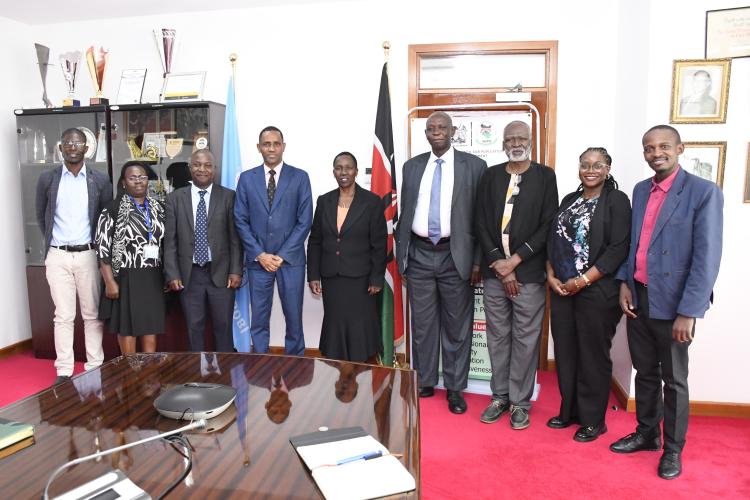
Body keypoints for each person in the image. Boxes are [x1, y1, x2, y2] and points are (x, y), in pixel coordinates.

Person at [611, 125, 723, 480]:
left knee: (674, 381)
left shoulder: (704, 192)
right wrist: (624, 284)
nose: (655, 153)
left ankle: (673, 449)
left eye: (663, 147)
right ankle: (647, 434)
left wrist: (689, 312)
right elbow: (635, 245)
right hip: (639, 296)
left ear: (680, 148)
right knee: (645, 373)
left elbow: (707, 258)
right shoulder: (641, 190)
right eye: (648, 148)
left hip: (675, 305)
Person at [395, 111, 486, 414]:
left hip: (454, 254)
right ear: (426, 133)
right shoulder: (412, 167)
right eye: (431, 128)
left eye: (442, 127)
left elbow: (480, 219)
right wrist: (402, 254)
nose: (436, 132)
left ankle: (456, 389)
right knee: (422, 325)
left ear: (453, 131)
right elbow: (406, 211)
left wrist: (476, 262)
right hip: (419, 253)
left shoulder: (474, 166)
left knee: (457, 326)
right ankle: (426, 380)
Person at [474, 120, 558, 429]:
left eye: (521, 137)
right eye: (510, 138)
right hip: (495, 272)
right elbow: (480, 222)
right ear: (503, 142)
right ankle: (499, 397)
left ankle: (520, 402)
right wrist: (500, 263)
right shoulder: (490, 175)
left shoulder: (545, 177)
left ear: (531, 140)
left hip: (530, 274)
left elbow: (548, 224)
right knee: (497, 337)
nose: (515, 142)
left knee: (525, 339)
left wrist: (516, 262)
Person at [545, 147, 631, 441]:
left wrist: (581, 282)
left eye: (597, 165)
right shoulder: (570, 199)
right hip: (562, 289)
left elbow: (618, 249)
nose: (590, 169)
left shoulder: (617, 201)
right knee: (566, 352)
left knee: (592, 355)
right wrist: (551, 275)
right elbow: (553, 239)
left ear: (608, 168)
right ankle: (569, 411)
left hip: (597, 291)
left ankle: (594, 420)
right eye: (585, 164)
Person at [35, 128, 112, 386]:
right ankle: (64, 370)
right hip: (57, 255)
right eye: (67, 142)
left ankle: (94, 366)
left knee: (92, 314)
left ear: (86, 149)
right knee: (63, 315)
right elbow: (41, 216)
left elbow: (105, 219)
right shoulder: (48, 179)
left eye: (77, 143)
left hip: (88, 254)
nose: (72, 146)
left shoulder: (100, 180)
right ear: (61, 148)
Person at [234, 126, 312, 355]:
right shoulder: (247, 179)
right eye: (266, 144)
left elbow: (305, 220)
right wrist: (260, 254)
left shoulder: (300, 177)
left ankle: (295, 363)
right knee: (259, 319)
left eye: (276, 143)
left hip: (290, 261)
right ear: (259, 148)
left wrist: (282, 255)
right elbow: (240, 219)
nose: (271, 148)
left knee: (294, 317)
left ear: (283, 146)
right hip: (258, 262)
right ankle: (260, 363)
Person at [307, 152, 387, 362]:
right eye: (339, 168)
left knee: (359, 326)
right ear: (334, 172)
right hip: (332, 278)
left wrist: (377, 278)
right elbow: (315, 240)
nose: (344, 172)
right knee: (335, 323)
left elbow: (379, 244)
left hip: (361, 279)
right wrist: (313, 274)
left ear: (356, 171)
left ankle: (360, 369)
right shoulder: (324, 201)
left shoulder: (372, 202)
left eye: (348, 167)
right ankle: (338, 371)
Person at [164, 149, 243, 352]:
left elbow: (235, 238)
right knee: (194, 327)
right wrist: (172, 273)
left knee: (223, 327)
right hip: (189, 275)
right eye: (197, 165)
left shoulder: (228, 196)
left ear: (214, 170)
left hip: (222, 273)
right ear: (190, 168)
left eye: (208, 165)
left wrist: (235, 270)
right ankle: (196, 378)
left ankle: (224, 376)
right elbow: (170, 241)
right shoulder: (174, 199)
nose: (202, 169)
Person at [95, 162, 166, 354]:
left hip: (152, 275)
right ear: (124, 182)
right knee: (127, 325)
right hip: (125, 275)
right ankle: (131, 370)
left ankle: (148, 371)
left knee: (150, 323)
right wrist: (109, 281)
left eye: (142, 177)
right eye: (132, 178)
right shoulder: (112, 209)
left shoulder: (158, 207)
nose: (138, 182)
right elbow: (102, 248)